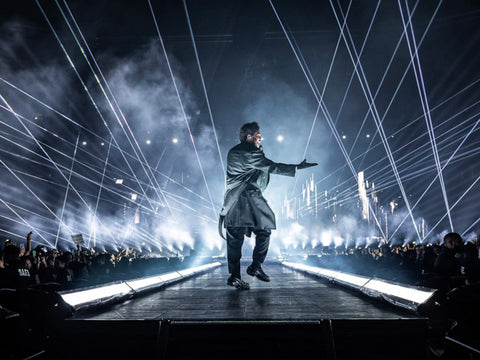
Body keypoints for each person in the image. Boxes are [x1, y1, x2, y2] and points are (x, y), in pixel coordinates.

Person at [219, 122, 317, 289]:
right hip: (247, 198)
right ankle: (252, 268)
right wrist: (297, 167)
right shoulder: (249, 152)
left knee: (238, 237)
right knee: (261, 230)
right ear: (249, 136)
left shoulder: (237, 151)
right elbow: (272, 167)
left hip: (236, 199)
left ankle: (239, 274)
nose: (260, 137)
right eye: (257, 134)